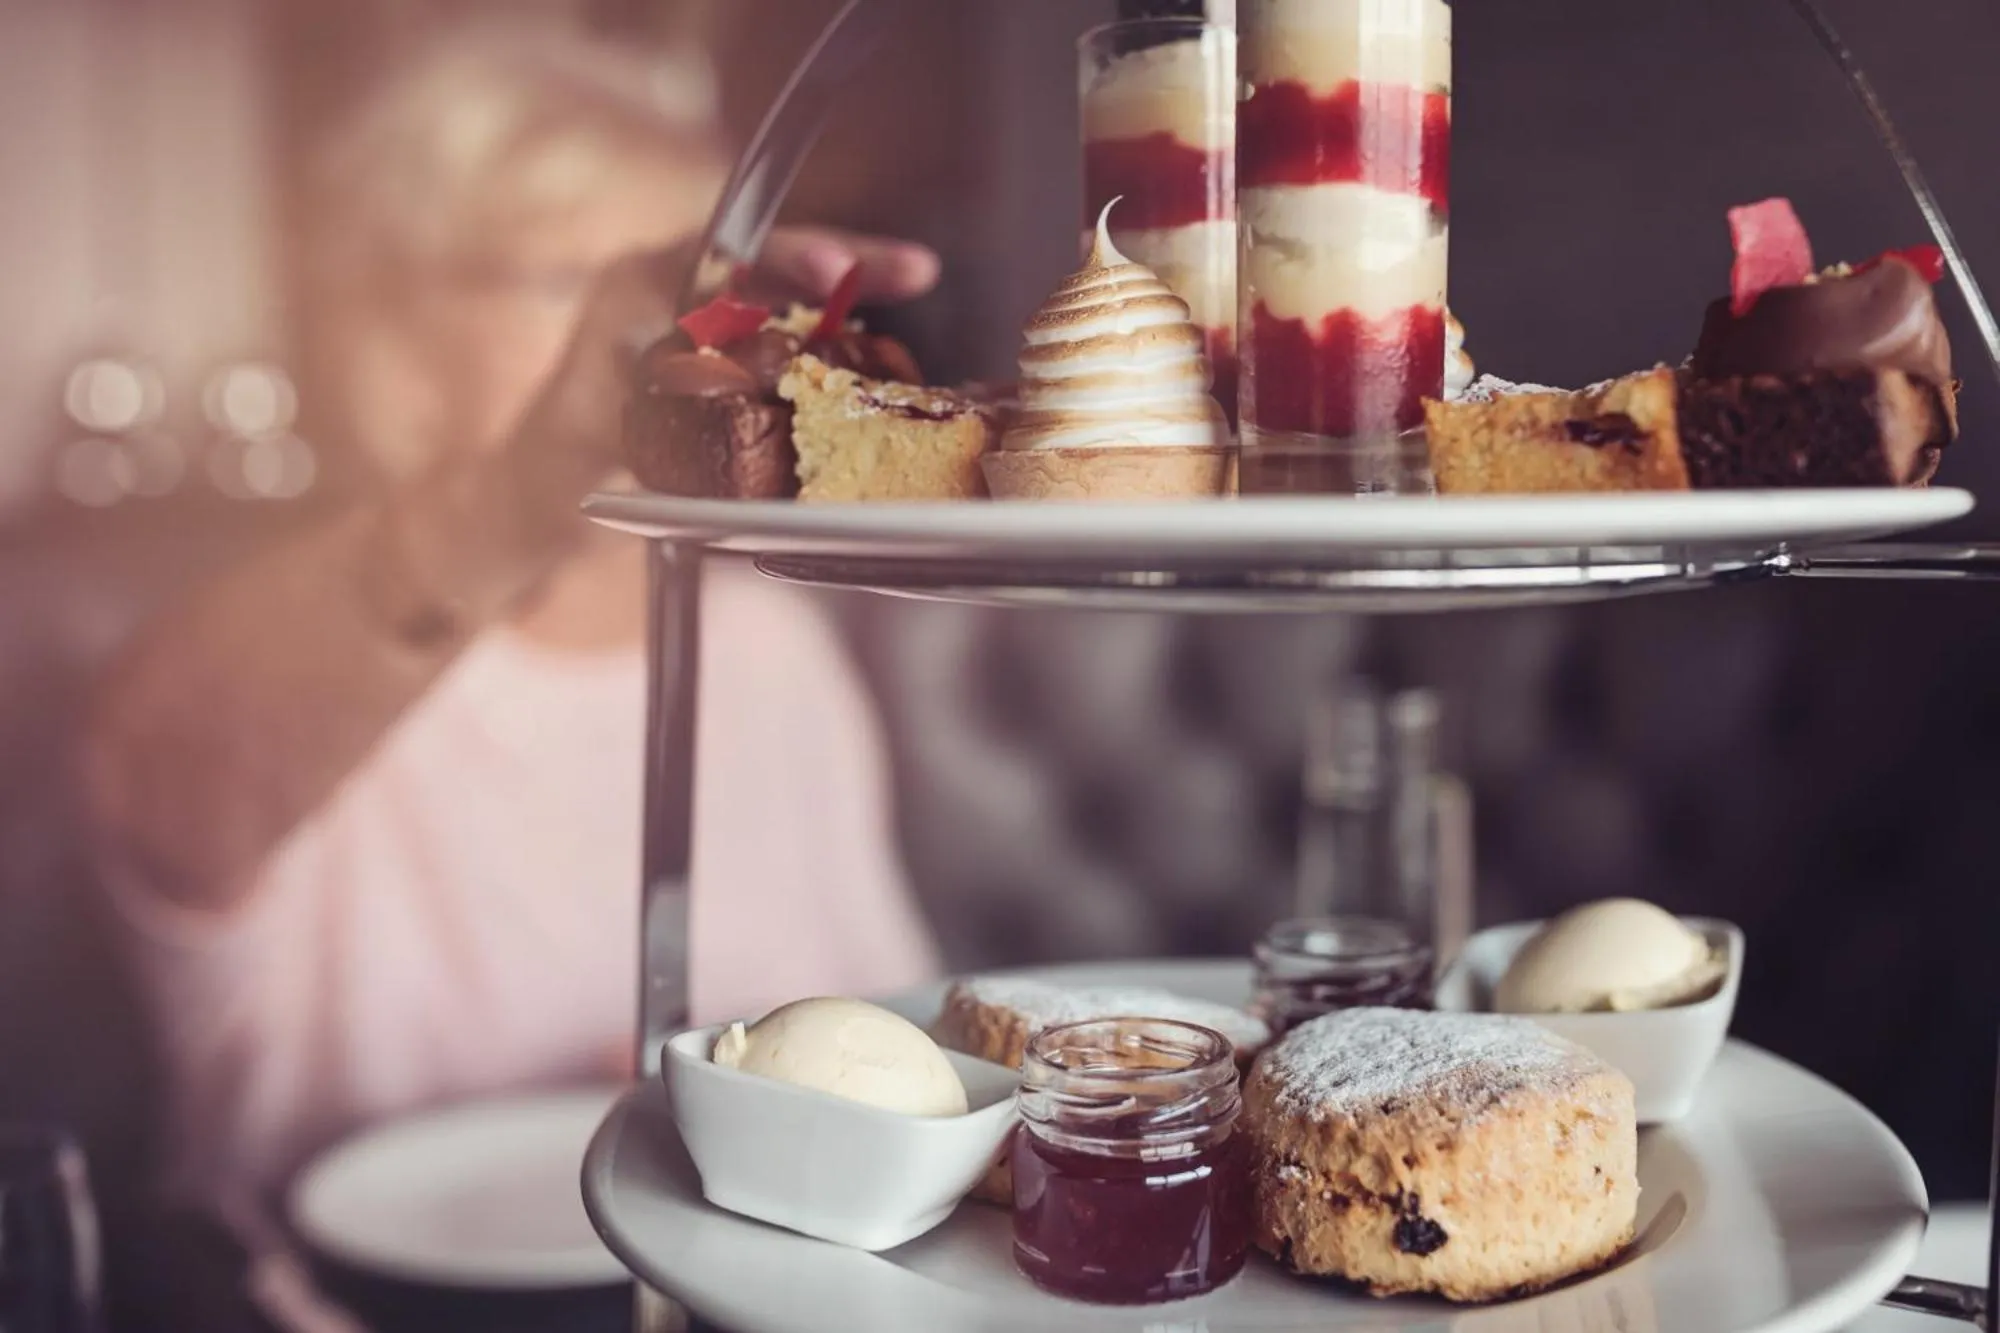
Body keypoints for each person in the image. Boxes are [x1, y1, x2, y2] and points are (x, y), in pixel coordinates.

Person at [80, 22, 944, 1212]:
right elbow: (172, 761)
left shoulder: (765, 643)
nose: (667, 338)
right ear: (390, 318)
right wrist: (525, 479)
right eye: (577, 284)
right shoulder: (285, 653)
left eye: (695, 293)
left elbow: (886, 1030)